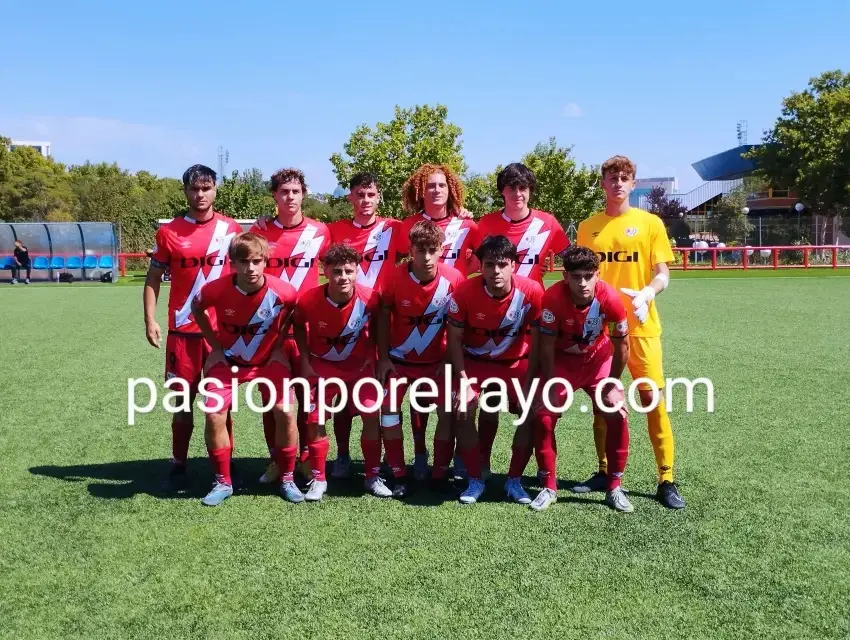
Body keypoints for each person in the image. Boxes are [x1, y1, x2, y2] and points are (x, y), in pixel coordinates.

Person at [575, 155, 685, 509]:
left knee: (653, 402)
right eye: (612, 177)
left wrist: (650, 292)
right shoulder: (587, 227)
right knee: (602, 403)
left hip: (641, 329)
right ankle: (604, 470)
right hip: (601, 332)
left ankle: (666, 478)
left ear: (633, 183)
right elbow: (581, 277)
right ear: (603, 183)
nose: (618, 183)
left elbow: (663, 272)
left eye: (624, 177)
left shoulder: (650, 223)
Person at [466, 162, 570, 480]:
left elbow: (570, 260)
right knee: (491, 401)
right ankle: (480, 463)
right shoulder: (484, 224)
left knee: (536, 404)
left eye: (523, 187)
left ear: (530, 191)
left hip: (531, 322)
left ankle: (542, 466)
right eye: (511, 187)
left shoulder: (548, 223)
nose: (518, 193)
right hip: (493, 322)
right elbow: (470, 264)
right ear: (502, 191)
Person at [143, 164, 243, 491]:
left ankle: (225, 468)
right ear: (185, 191)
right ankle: (179, 464)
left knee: (221, 405)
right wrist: (150, 319)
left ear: (215, 190)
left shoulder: (231, 230)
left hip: (222, 335)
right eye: (194, 189)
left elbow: (248, 276)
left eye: (206, 188)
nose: (200, 195)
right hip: (182, 335)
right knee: (181, 404)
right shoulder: (169, 232)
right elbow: (153, 278)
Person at [191, 233, 299, 506]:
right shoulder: (215, 290)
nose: (250, 268)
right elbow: (197, 307)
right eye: (243, 262)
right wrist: (214, 347)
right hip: (228, 361)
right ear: (232, 263)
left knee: (286, 411)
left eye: (256, 261)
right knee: (214, 414)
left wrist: (278, 346)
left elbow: (293, 313)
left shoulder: (284, 292)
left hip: (266, 362)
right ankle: (222, 481)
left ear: (265, 262)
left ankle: (287, 477)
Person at [529, 245, 633, 512]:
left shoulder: (610, 298)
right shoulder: (552, 298)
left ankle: (614, 486)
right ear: (566, 277)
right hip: (563, 362)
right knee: (544, 415)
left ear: (598, 275)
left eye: (588, 276)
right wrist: (551, 383)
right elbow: (546, 346)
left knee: (616, 411)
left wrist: (612, 380)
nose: (583, 283)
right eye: (576, 277)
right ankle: (549, 486)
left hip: (598, 360)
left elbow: (623, 346)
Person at [446, 235, 544, 505]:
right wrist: (463, 381)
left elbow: (539, 341)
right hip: (475, 362)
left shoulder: (533, 291)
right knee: (463, 408)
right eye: (489, 264)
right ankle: (475, 477)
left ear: (514, 265)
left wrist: (532, 379)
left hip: (515, 363)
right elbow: (453, 339)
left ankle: (514, 480)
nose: (496, 271)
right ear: (481, 266)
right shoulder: (464, 293)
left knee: (531, 409)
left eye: (502, 264)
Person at [395, 164, 478, 477]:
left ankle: (454, 459)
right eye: (429, 186)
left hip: (454, 311)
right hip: (415, 311)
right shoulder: (406, 225)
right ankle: (419, 452)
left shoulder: (469, 224)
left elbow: (483, 260)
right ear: (420, 191)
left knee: (453, 396)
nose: (436, 190)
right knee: (419, 393)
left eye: (442, 185)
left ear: (451, 189)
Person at [249, 168, 331, 485]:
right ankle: (277, 459)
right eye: (284, 191)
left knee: (310, 401)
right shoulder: (260, 233)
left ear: (303, 194)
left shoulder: (321, 232)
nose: (290, 197)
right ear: (274, 195)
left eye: (295, 191)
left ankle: (309, 461)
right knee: (273, 401)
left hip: (309, 332)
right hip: (269, 332)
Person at [375, 220, 465, 492]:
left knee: (447, 413)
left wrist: (449, 360)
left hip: (438, 364)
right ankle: (399, 474)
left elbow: (459, 325)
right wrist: (382, 358)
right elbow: (381, 317)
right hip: (399, 362)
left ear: (441, 250)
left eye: (432, 250)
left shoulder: (455, 279)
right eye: (420, 250)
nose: (426, 257)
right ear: (410, 250)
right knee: (389, 413)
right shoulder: (392, 277)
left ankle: (439, 474)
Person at [325, 173, 404, 479]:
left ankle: (381, 458)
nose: (365, 200)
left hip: (384, 320)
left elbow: (433, 228)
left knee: (382, 396)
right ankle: (343, 455)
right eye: (359, 194)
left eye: (371, 194)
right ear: (350, 198)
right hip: (346, 321)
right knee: (345, 397)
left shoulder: (394, 228)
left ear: (379, 197)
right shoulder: (334, 230)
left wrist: (460, 210)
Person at [292, 244, 384, 501]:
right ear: (324, 271)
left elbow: (379, 328)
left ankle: (372, 476)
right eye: (336, 271)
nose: (343, 277)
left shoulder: (370, 299)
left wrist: (372, 356)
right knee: (315, 419)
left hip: (359, 368)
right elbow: (298, 326)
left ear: (357, 271)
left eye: (348, 271)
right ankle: (319, 479)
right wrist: (306, 361)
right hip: (322, 366)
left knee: (371, 413)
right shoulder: (309, 300)